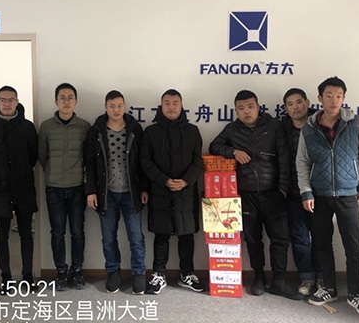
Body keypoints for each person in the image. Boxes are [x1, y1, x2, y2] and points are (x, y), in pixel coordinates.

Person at [209, 90, 302, 301]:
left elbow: (285, 159)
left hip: (274, 192)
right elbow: (214, 146)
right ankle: (259, 277)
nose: (246, 111)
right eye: (241, 108)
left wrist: (283, 189)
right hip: (247, 193)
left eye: (250, 106)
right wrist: (233, 152)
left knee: (280, 238)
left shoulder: (274, 126)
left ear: (258, 107)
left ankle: (279, 281)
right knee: (253, 239)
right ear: (236, 111)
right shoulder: (232, 129)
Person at [297, 77, 359, 317]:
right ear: (320, 98)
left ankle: (355, 294)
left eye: (339, 96)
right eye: (329, 95)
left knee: (353, 246)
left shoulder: (355, 123)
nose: (334, 100)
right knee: (322, 244)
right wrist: (306, 191)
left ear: (343, 98)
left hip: (347, 195)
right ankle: (329, 289)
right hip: (319, 195)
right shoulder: (309, 128)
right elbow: (302, 162)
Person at [140, 89, 204, 294]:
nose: (171, 107)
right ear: (161, 106)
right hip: (160, 190)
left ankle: (186, 274)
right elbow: (145, 161)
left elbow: (198, 161)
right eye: (167, 103)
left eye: (175, 103)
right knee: (162, 234)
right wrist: (164, 180)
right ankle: (159, 274)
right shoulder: (151, 132)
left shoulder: (192, 131)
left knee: (186, 234)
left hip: (186, 191)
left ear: (181, 105)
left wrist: (185, 181)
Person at [85, 90, 148, 295]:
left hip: (131, 192)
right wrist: (91, 191)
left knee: (136, 237)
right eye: (112, 106)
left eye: (119, 106)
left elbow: (143, 161)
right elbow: (90, 164)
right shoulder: (96, 131)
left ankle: (139, 273)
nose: (116, 110)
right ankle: (113, 272)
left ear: (124, 106)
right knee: (108, 237)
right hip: (107, 194)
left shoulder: (135, 129)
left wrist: (144, 188)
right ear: (105, 107)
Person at [0, 86, 39, 293]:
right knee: (2, 235)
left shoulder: (27, 127)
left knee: (26, 234)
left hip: (23, 187)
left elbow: (33, 156)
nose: (7, 103)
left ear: (17, 102)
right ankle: (6, 278)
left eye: (11, 99)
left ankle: (27, 276)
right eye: (3, 100)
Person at [38, 83, 90, 291]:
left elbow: (88, 157)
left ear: (76, 101)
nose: (66, 101)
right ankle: (61, 271)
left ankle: (77, 270)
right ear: (56, 101)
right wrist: (53, 173)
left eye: (70, 98)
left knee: (77, 231)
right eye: (62, 97)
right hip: (54, 188)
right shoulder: (46, 127)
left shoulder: (85, 126)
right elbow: (43, 156)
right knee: (57, 232)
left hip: (77, 187)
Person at [281, 88, 322, 296]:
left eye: (299, 102)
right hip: (293, 193)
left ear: (307, 102)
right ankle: (307, 277)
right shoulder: (281, 129)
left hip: (320, 192)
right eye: (290, 104)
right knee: (299, 237)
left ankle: (322, 277)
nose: (295, 107)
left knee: (321, 236)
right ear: (285, 108)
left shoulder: (320, 124)